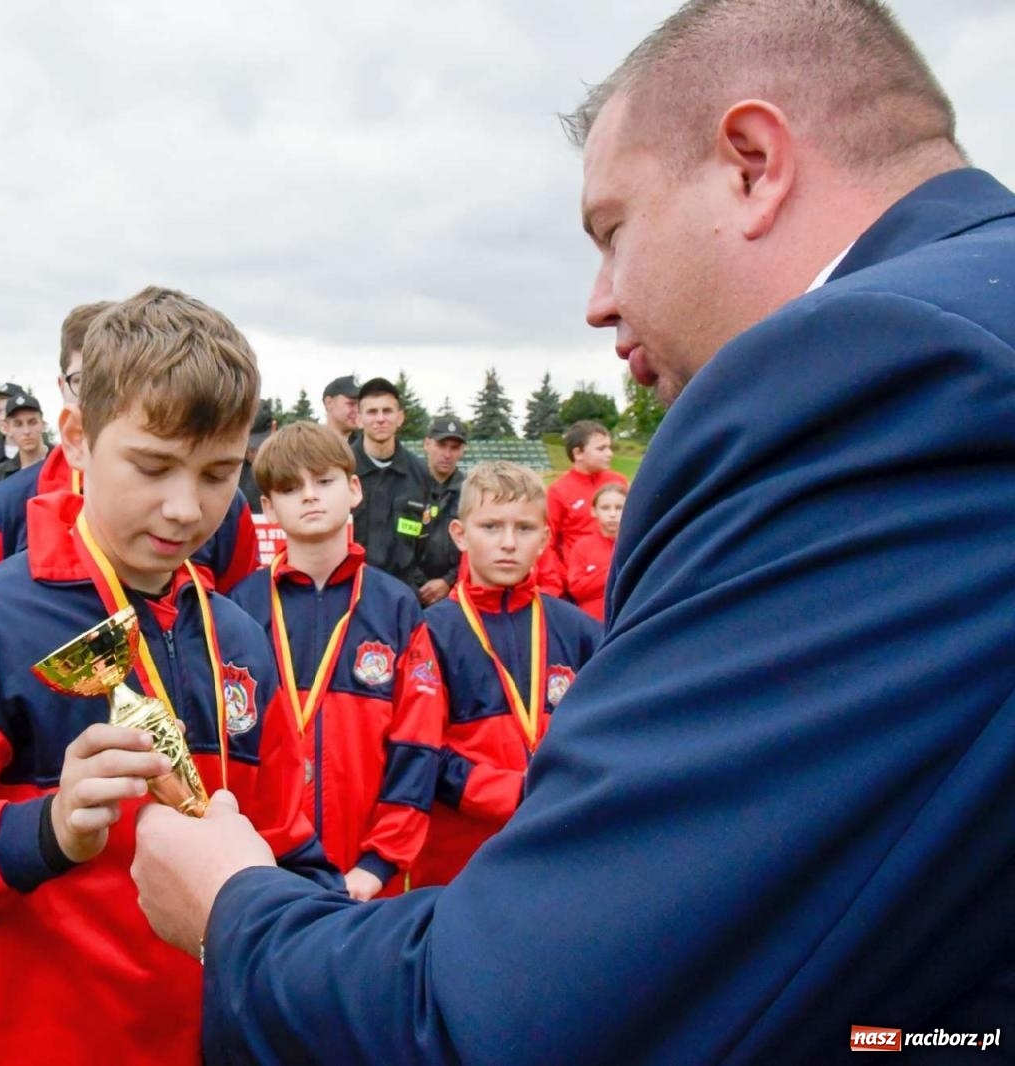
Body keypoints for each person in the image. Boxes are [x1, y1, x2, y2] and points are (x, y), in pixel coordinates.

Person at [130, 1, 1015, 1060]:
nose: (598, 302)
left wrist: (237, 910)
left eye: (612, 232)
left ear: (750, 162)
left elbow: (521, 1012)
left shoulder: (872, 366)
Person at [0, 286, 336, 1065]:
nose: (184, 509)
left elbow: (292, 847)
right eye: (153, 465)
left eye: (218, 473)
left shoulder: (238, 635)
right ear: (76, 438)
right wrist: (46, 830)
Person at [229, 422, 443, 899]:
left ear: (353, 490)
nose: (309, 497)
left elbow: (418, 741)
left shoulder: (395, 606)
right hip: (265, 866)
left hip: (370, 875)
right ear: (268, 507)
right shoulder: (241, 609)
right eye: (289, 488)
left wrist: (379, 861)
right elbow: (230, 747)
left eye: (323, 482)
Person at [0, 300, 260, 592]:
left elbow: (243, 603)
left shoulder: (225, 507)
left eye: (216, 475)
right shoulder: (7, 504)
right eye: (83, 381)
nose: (184, 511)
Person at [410, 462, 600, 888]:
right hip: (459, 861)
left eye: (525, 528)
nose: (509, 543)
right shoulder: (430, 632)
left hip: (560, 846)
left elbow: (607, 735)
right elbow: (422, 754)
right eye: (491, 527)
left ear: (546, 539)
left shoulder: (581, 632)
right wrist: (512, 793)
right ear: (460, 535)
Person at [350, 376, 434, 594]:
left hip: (402, 593)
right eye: (372, 412)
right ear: (359, 419)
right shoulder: (341, 470)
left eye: (387, 411)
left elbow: (427, 539)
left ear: (400, 418)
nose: (380, 419)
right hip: (350, 590)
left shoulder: (420, 474)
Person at [546, 418, 627, 578]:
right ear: (578, 453)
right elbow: (548, 543)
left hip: (619, 573)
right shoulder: (558, 491)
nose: (609, 454)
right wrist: (565, 577)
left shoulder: (618, 482)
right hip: (581, 581)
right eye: (601, 449)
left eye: (609, 448)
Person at [413, 414, 467, 607]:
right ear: (427, 444)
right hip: (410, 589)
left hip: (456, 592)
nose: (447, 454)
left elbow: (477, 545)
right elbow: (396, 541)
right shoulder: (407, 487)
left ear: (463, 451)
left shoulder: (471, 493)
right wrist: (418, 583)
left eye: (454, 448)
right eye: (441, 445)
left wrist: (448, 581)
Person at [565, 482, 626, 622]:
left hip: (625, 620)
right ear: (594, 511)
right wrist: (614, 569)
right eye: (605, 508)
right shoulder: (583, 546)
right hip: (592, 623)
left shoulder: (635, 544)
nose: (612, 514)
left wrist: (593, 578)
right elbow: (576, 589)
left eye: (619, 508)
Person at [0, 389, 48, 487]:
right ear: (7, 429)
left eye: (32, 422)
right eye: (18, 424)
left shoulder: (65, 463)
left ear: (43, 425)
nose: (26, 431)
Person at [319, 375, 360, 441]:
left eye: (359, 405)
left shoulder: (367, 447)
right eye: (351, 404)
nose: (357, 410)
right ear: (329, 403)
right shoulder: (310, 445)